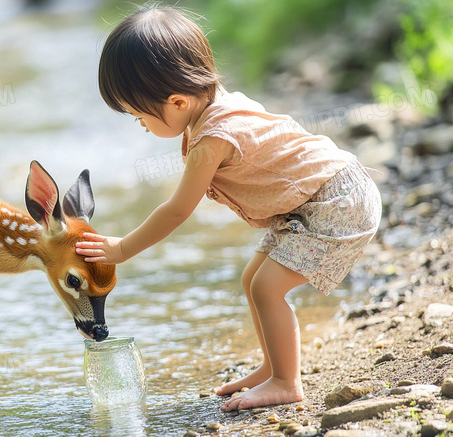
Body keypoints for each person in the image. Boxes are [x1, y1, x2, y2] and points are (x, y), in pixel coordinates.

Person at [75, 6, 382, 411]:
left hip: (335, 203)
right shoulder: (216, 102)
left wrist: (122, 249)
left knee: (266, 287)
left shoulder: (214, 139)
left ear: (178, 101)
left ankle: (285, 382)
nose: (142, 127)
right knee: (252, 277)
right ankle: (273, 364)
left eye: (139, 118)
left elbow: (177, 210)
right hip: (317, 197)